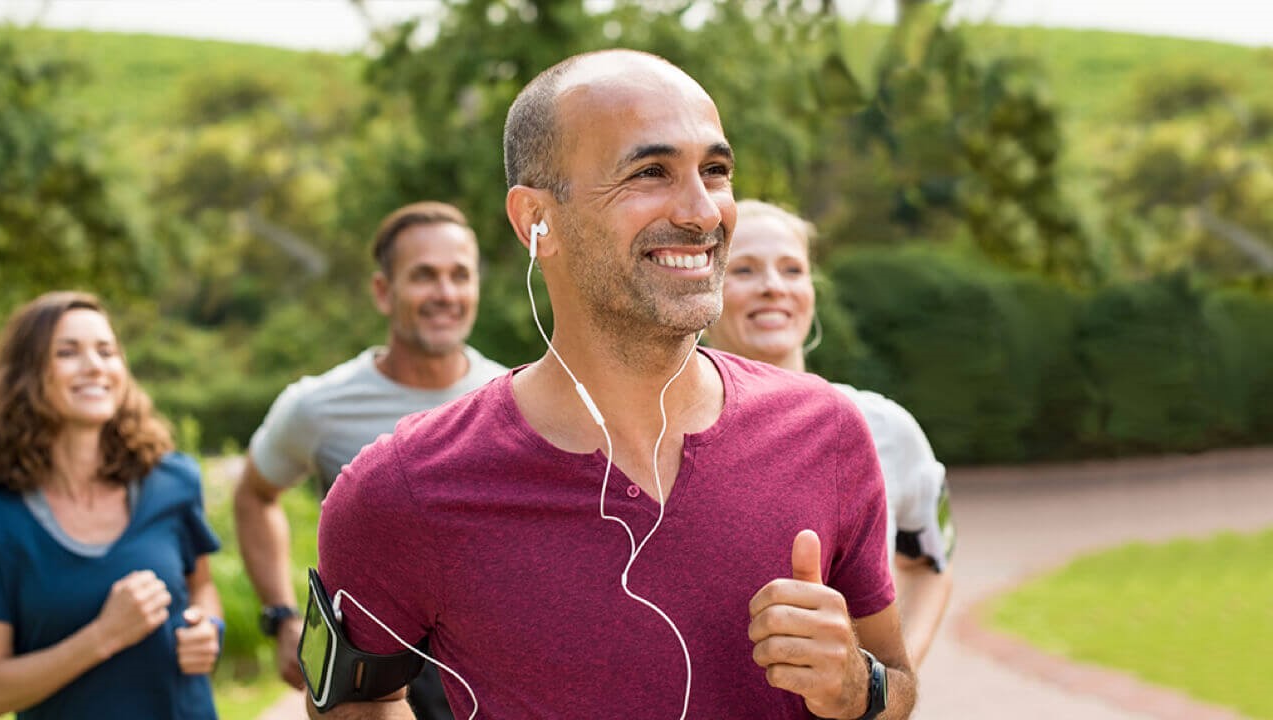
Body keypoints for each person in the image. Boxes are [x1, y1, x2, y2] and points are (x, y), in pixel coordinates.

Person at [313, 49, 916, 719]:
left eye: (715, 171)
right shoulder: (401, 488)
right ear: (534, 223)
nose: (702, 212)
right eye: (650, 172)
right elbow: (349, 708)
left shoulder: (827, 431)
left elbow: (900, 682)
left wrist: (860, 688)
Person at [233, 201, 507, 719]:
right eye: (424, 276)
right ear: (383, 291)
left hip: (483, 679)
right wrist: (282, 616)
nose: (446, 294)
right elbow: (254, 496)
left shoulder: (511, 398)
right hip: (369, 683)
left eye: (459, 276)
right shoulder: (317, 406)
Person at [707, 200, 955, 667]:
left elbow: (930, 567)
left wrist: (884, 692)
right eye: (743, 270)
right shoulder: (664, 436)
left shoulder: (886, 428)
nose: (773, 287)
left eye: (792, 269)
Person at [0, 291, 223, 719]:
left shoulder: (174, 481)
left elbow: (201, 587)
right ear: (26, 373)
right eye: (67, 352)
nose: (95, 366)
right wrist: (104, 635)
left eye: (106, 351)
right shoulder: (1, 517)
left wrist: (208, 628)